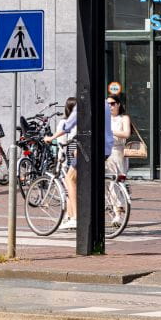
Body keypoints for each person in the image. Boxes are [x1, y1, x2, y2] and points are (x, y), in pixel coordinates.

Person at [45, 97, 113, 231]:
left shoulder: (83, 103)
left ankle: (76, 217)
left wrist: (51, 138)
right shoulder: (104, 103)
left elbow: (67, 125)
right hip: (106, 148)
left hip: (89, 148)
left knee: (69, 178)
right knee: (88, 180)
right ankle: (91, 215)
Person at [107, 94, 131, 176]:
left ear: (118, 104)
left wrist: (111, 131)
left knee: (119, 178)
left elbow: (126, 134)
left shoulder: (124, 118)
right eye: (108, 104)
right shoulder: (104, 118)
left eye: (112, 104)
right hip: (105, 151)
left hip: (118, 151)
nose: (110, 106)